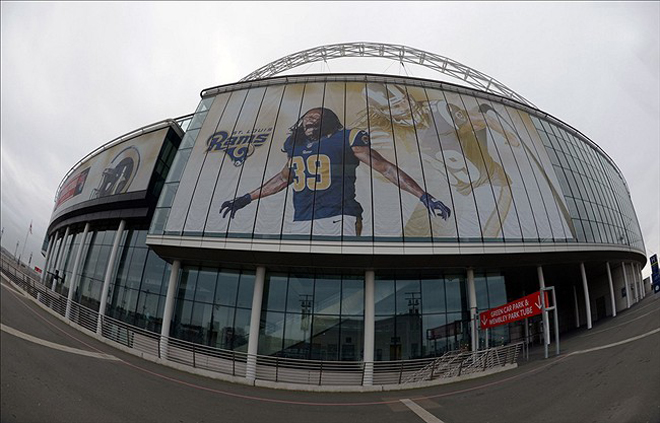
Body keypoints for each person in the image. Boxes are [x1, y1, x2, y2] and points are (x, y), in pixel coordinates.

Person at [220, 107, 450, 236]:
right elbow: (283, 178)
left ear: (328, 121)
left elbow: (386, 168)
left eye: (314, 118)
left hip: (339, 217)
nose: (308, 121)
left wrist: (424, 196)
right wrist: (245, 198)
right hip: (301, 218)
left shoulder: (347, 137)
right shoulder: (295, 144)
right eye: (305, 118)